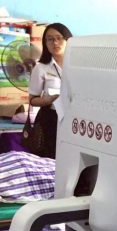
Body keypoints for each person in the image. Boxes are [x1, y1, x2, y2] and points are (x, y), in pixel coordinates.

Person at [27, 23, 73, 158]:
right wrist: (47, 100)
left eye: (59, 38)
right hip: (51, 118)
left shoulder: (78, 65)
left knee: (71, 156)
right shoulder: (41, 68)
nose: (55, 43)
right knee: (52, 158)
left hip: (73, 117)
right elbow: (32, 99)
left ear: (68, 40)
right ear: (45, 43)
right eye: (50, 39)